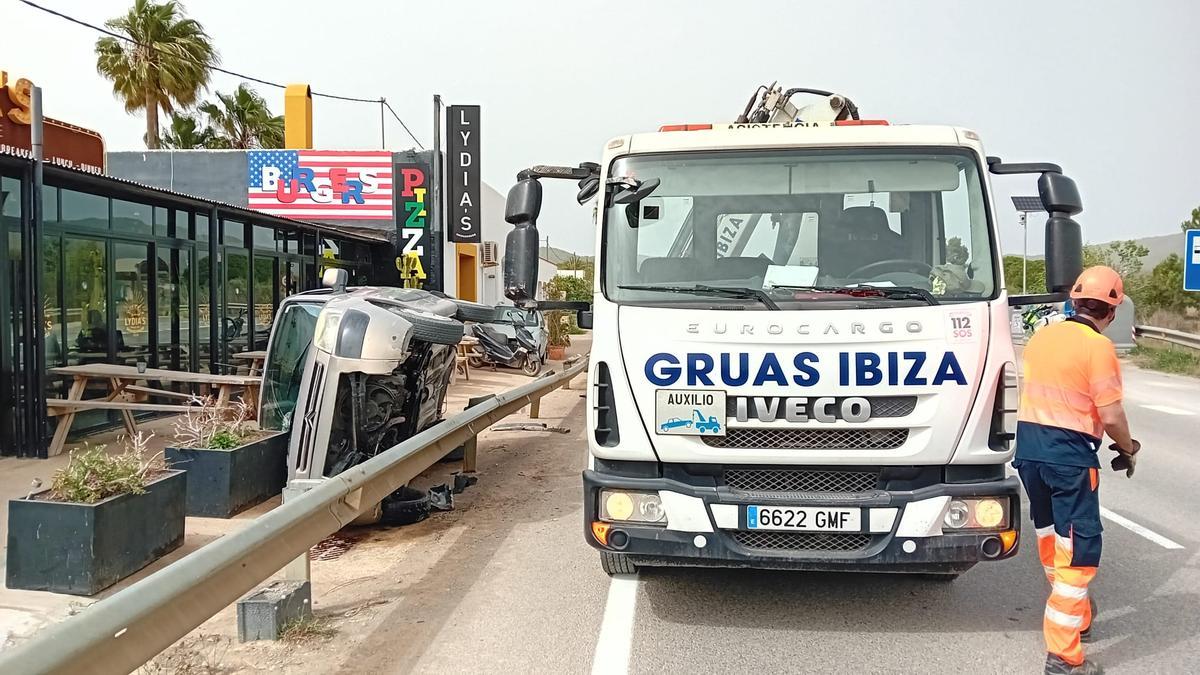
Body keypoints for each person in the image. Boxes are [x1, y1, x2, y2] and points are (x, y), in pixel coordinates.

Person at [1014, 265, 1140, 675]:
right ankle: (1065, 658)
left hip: (1030, 453)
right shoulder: (1097, 347)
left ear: (1073, 300)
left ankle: (1078, 612)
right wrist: (1127, 446)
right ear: (1112, 312)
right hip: (1069, 457)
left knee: (1052, 534)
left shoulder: (1042, 337)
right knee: (1080, 548)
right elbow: (1111, 412)